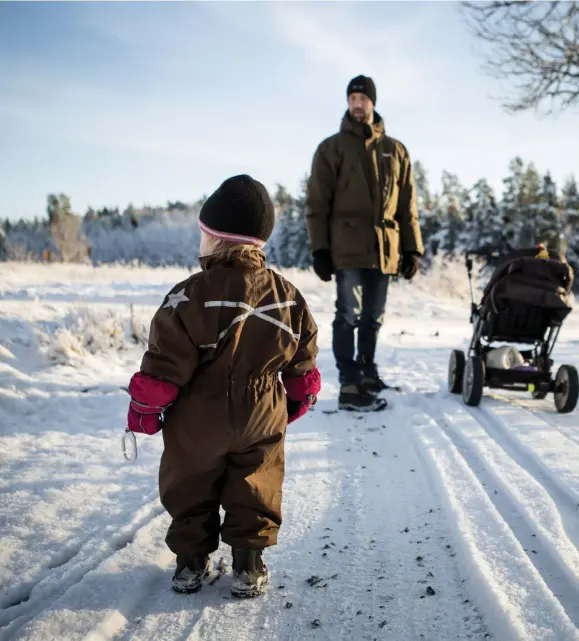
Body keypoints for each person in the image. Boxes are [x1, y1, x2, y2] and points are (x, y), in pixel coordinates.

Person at [125, 175, 321, 598]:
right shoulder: (287, 296)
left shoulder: (187, 296)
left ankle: (190, 565)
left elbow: (165, 363)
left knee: (191, 484)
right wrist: (301, 394)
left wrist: (144, 407)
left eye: (204, 234)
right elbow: (302, 355)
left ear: (215, 240)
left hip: (199, 415)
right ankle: (249, 566)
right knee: (257, 482)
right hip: (262, 411)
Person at [306, 75, 424, 412]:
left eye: (363, 98)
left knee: (373, 317)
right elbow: (317, 203)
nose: (357, 104)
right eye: (352, 98)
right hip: (346, 247)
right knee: (348, 315)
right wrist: (320, 249)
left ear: (373, 102)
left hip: (385, 248)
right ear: (348, 102)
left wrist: (412, 248)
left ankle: (369, 373)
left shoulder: (395, 149)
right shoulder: (331, 148)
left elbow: (407, 204)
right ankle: (349, 384)